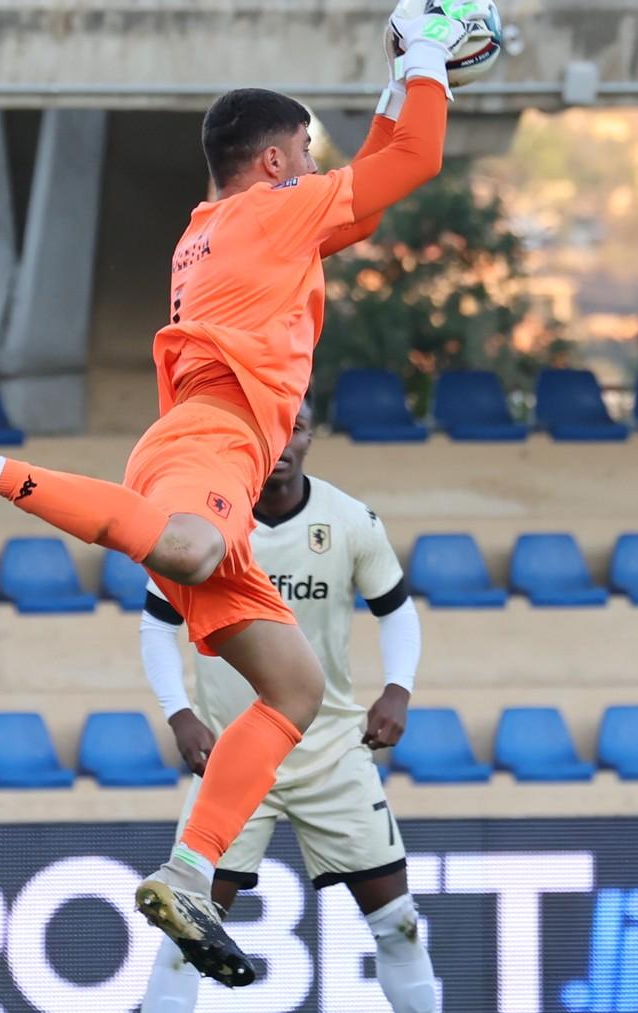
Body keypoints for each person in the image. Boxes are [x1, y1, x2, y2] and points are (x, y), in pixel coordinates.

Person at [0, 0, 480, 985]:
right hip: (208, 446)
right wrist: (423, 55)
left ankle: (189, 871)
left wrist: (396, 85)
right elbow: (412, 163)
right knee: (191, 547)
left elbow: (373, 197)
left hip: (201, 453)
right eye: (306, 151)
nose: (317, 167)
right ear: (275, 162)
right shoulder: (269, 215)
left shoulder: (221, 226)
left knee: (295, 688)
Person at [138, 399, 434, 1013]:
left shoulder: (349, 520)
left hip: (332, 755)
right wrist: (179, 712)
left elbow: (397, 610)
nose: (281, 441)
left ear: (309, 436)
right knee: (183, 936)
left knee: (400, 925)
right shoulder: (203, 520)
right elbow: (156, 624)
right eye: (269, 428)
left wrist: (398, 688)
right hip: (234, 761)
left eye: (294, 427)